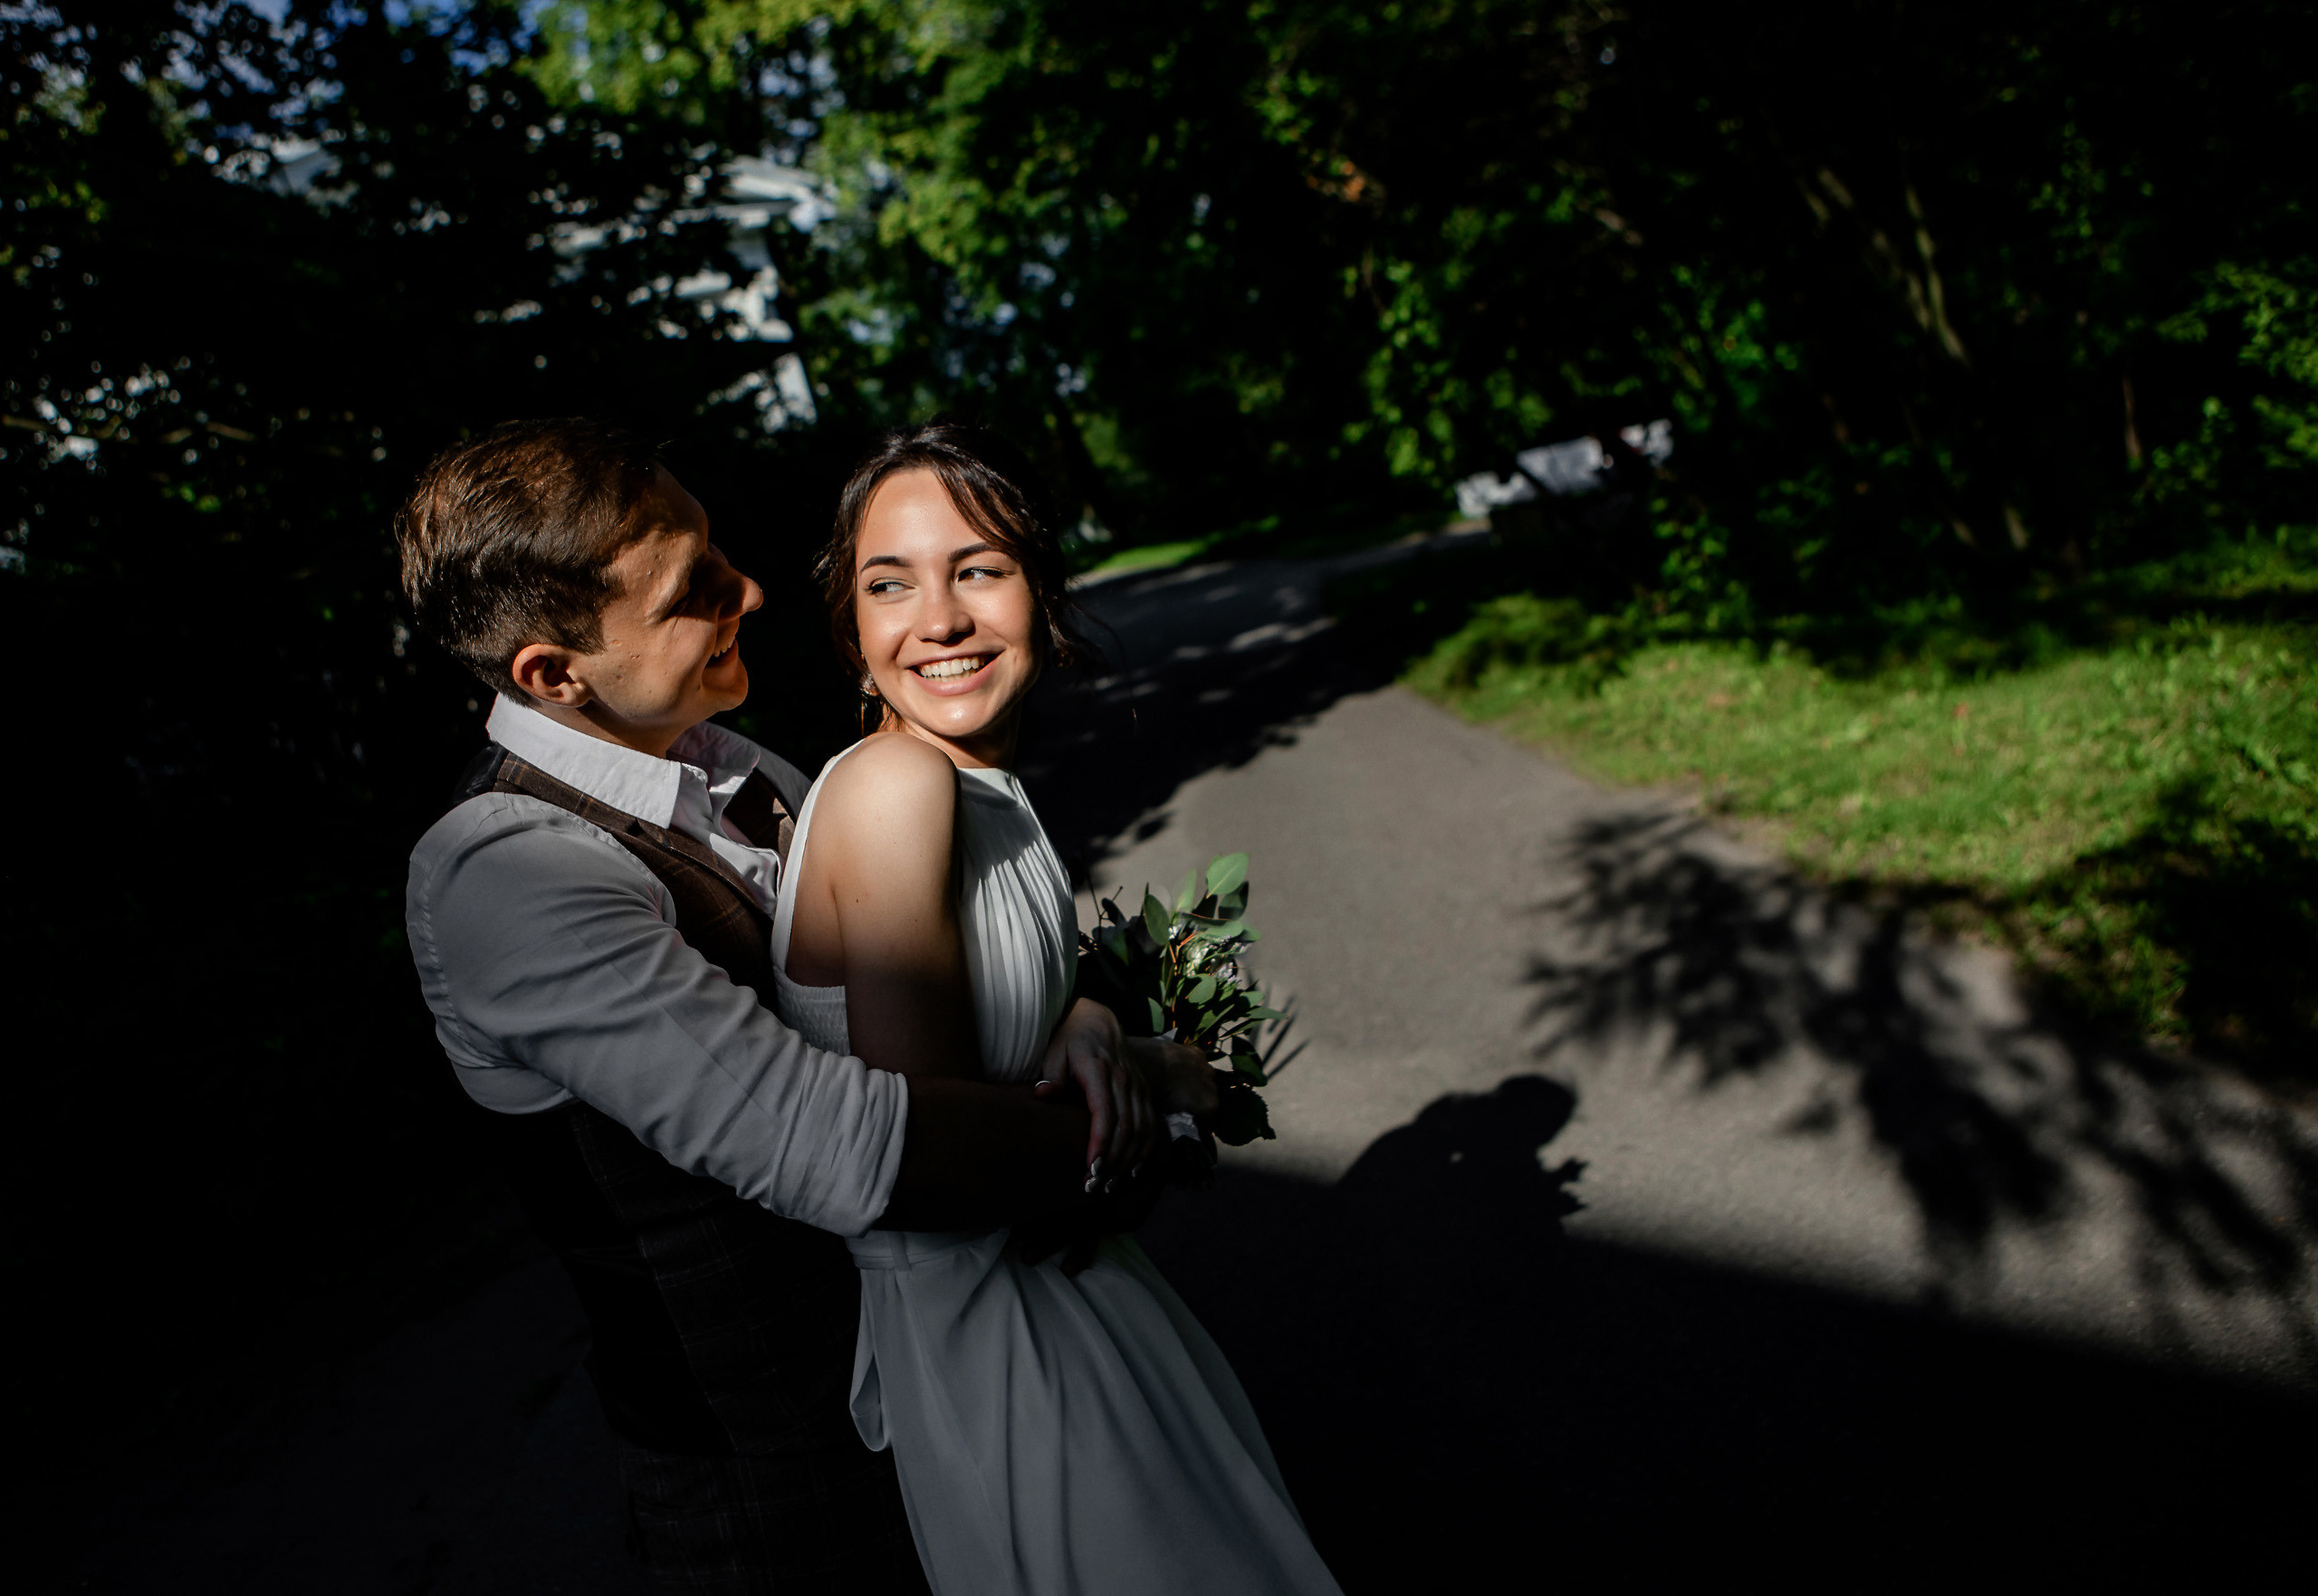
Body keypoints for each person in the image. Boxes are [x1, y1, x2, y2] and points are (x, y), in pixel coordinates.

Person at [398, 419, 1194, 1593]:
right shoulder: (505, 875)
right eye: (694, 589)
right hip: (767, 1477)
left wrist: (1078, 1022)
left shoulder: (738, 770)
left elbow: (942, 998)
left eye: (721, 553)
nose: (750, 591)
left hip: (935, 1376)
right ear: (552, 674)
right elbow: (847, 1150)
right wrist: (1159, 1105)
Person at [771, 420, 1344, 1596]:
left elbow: (1003, 996)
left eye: (978, 568)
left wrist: (1083, 1019)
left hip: (1070, 1302)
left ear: (1041, 587)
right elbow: (922, 1154)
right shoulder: (896, 785)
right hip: (1003, 1347)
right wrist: (1163, 1076)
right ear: (849, 628)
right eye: (892, 584)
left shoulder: (968, 783)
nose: (938, 617)